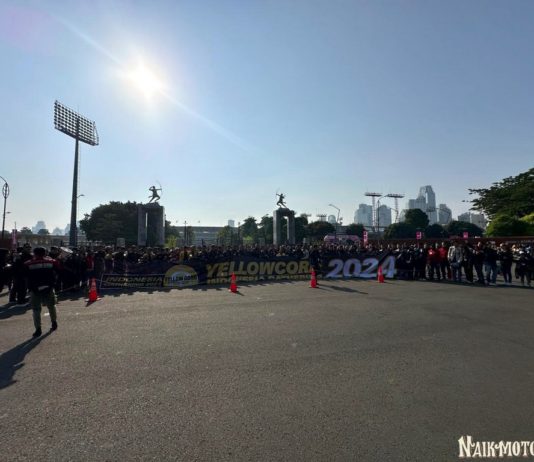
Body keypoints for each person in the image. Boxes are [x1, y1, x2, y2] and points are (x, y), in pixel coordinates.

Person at [25, 247, 59, 338]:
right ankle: (54, 322)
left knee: (36, 309)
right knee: (51, 306)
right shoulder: (51, 262)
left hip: (35, 289)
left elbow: (25, 275)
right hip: (49, 287)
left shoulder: (29, 263)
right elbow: (58, 270)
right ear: (45, 253)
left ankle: (38, 329)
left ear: (34, 253)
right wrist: (53, 283)